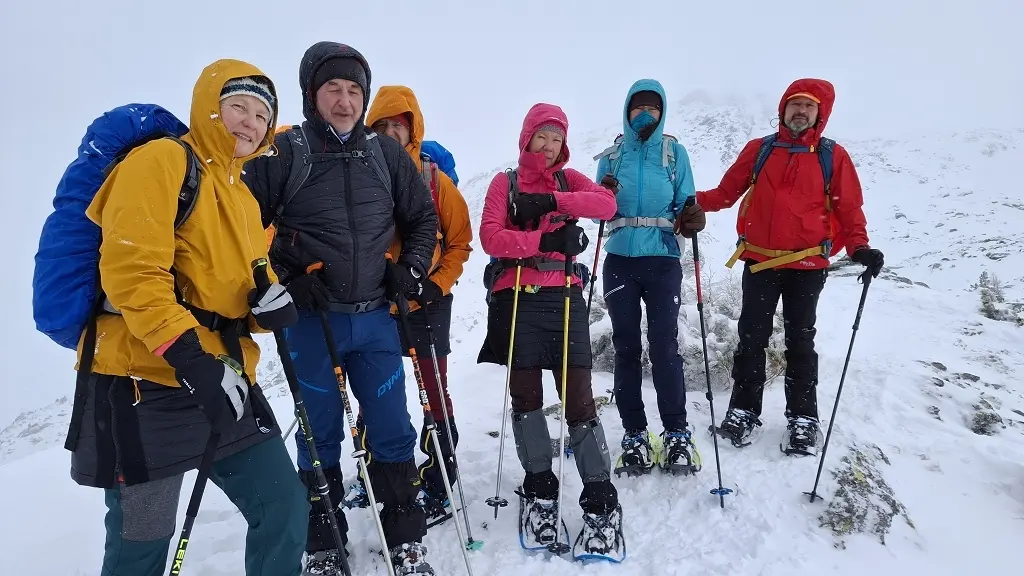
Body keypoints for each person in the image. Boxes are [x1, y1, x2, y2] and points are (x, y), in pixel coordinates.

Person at [67, 59, 309, 575]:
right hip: (144, 385)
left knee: (284, 507)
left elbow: (239, 285)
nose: (250, 122)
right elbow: (132, 275)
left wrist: (268, 307)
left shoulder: (242, 196)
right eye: (238, 106)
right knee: (142, 542)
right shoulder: (161, 161)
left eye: (262, 115)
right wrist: (193, 360)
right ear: (209, 108)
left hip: (224, 378)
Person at [242, 42, 439, 574]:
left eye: (354, 90)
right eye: (334, 88)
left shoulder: (385, 154)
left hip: (374, 318)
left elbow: (422, 218)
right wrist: (285, 279)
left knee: (392, 427)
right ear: (312, 94)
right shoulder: (284, 153)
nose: (345, 101)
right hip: (312, 322)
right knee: (318, 434)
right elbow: (239, 226)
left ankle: (405, 538)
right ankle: (325, 544)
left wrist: (410, 269)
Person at [697, 78, 885, 456]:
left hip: (808, 263)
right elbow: (725, 193)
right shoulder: (760, 150)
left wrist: (860, 247)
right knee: (752, 338)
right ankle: (743, 410)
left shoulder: (833, 156)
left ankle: (803, 417)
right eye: (794, 104)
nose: (801, 111)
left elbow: (849, 208)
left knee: (800, 341)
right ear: (782, 109)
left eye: (809, 106)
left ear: (820, 114)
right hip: (760, 260)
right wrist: (688, 201)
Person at [477, 103, 625, 560]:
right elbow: (491, 237)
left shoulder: (568, 179)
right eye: (541, 136)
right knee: (526, 398)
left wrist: (553, 203)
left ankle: (600, 498)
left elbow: (606, 204)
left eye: (556, 138)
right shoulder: (504, 183)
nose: (548, 145)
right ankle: (540, 488)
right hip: (518, 296)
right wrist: (543, 240)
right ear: (526, 138)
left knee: (578, 397)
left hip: (564, 296)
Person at [366, 85, 473, 521]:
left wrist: (436, 285)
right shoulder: (359, 175)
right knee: (376, 392)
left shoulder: (434, 181)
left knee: (432, 390)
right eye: (382, 125)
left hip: (427, 302)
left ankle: (439, 479)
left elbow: (460, 243)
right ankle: (383, 476)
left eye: (399, 125)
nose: (391, 132)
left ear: (413, 130)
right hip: (373, 305)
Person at [593, 79, 705, 477]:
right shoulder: (611, 157)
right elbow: (597, 210)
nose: (645, 114)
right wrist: (603, 196)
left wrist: (691, 217)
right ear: (627, 111)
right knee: (625, 348)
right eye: (638, 107)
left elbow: (685, 202)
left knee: (664, 347)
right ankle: (634, 433)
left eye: (652, 108)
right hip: (620, 259)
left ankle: (676, 431)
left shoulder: (674, 154)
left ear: (662, 111)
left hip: (662, 259)